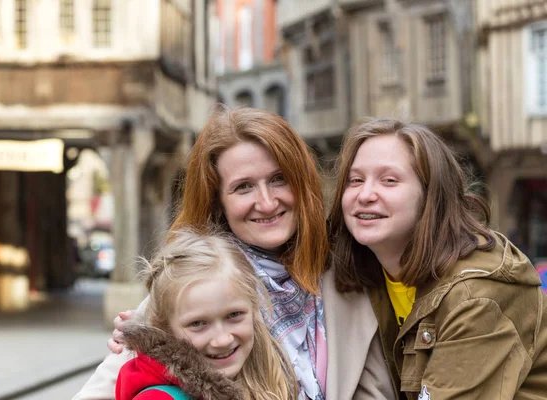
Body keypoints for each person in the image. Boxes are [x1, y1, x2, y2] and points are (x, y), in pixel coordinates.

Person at [73, 106, 395, 400]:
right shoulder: (189, 285)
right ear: (218, 202)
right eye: (244, 187)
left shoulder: (351, 272)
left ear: (302, 183)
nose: (267, 203)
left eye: (279, 179)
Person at [327, 118, 547, 399]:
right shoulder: (365, 272)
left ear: (430, 196)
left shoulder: (477, 296)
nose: (365, 194)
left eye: (389, 180)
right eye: (355, 180)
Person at [116, 229, 297, 400]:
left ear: (254, 310)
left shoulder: (265, 376)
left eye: (234, 314)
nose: (222, 340)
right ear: (163, 327)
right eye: (198, 323)